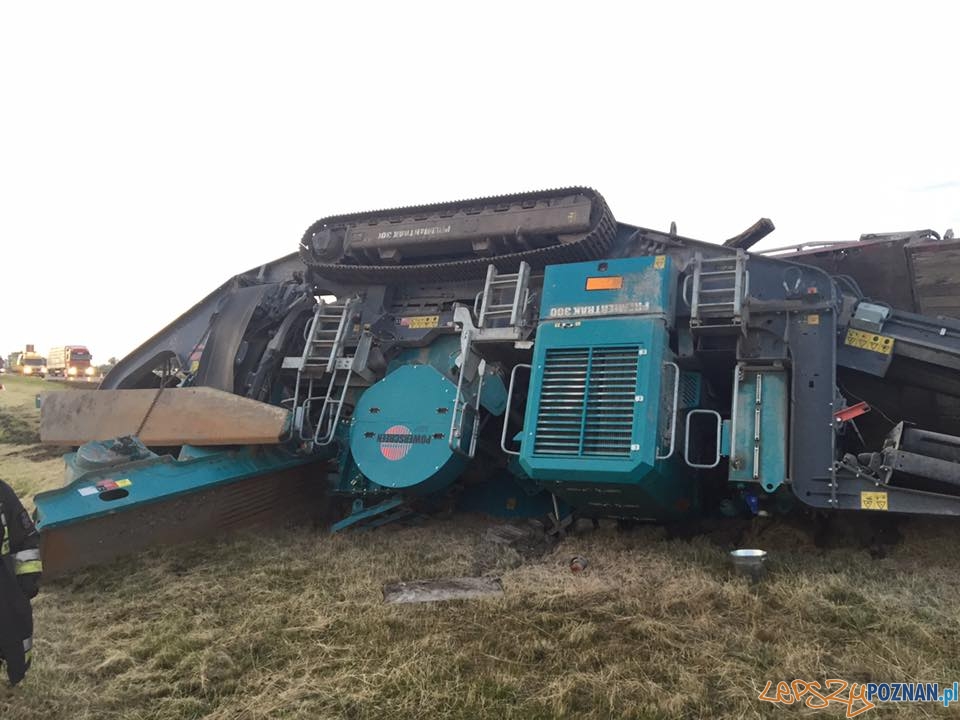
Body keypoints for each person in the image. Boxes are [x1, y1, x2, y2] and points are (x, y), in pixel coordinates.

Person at [0, 480, 41, 686]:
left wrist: (27, 581)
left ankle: (16, 673)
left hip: (5, 589)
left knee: (15, 634)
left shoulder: (2, 493)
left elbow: (26, 539)